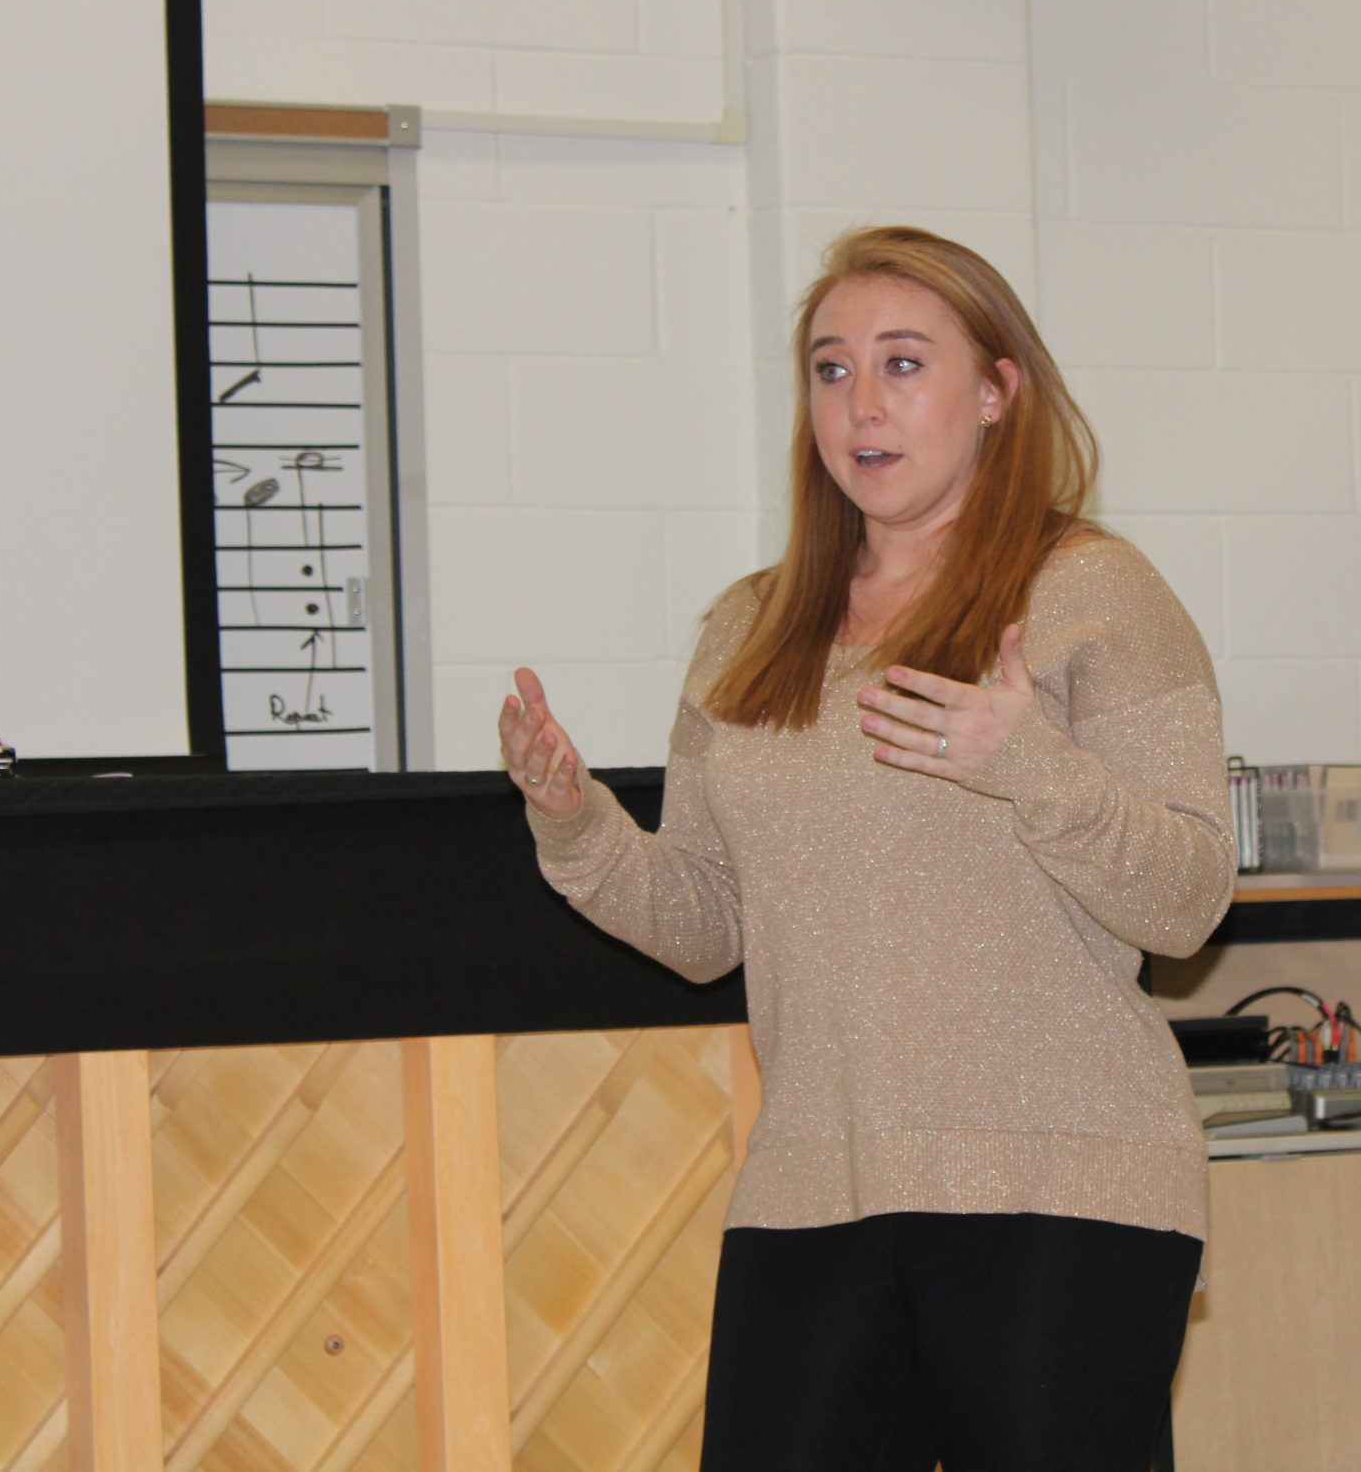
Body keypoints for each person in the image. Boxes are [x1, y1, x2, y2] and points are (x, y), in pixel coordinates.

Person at [497, 225, 1235, 1471]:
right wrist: (575, 825)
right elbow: (705, 926)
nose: (861, 403)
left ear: (997, 391)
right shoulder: (751, 624)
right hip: (813, 1188)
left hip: (1059, 1189)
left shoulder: (1094, 591)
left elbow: (1188, 899)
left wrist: (1026, 765)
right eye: (830, 369)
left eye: (903, 362)